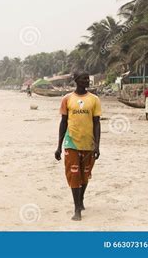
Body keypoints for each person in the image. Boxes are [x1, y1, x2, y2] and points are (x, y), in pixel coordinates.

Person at [54, 71, 101, 221]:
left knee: (85, 175)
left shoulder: (94, 99)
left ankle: (80, 200)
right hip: (71, 142)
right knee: (74, 175)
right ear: (76, 80)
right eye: (84, 79)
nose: (87, 81)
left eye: (88, 78)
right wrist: (59, 146)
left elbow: (96, 123)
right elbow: (63, 122)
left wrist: (97, 145)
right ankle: (77, 209)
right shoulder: (67, 99)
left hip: (88, 143)